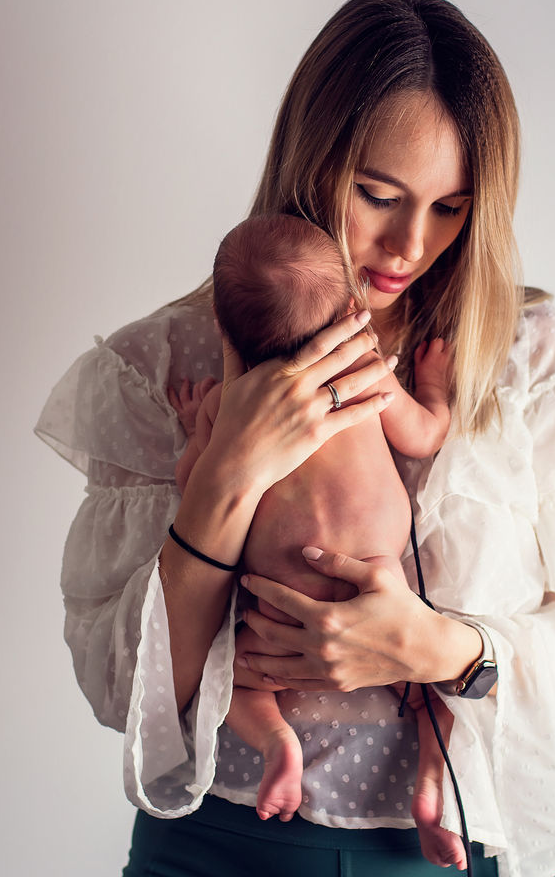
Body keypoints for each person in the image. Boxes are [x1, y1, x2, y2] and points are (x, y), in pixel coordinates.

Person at [36, 0, 555, 877]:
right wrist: (223, 477)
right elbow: (127, 693)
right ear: (313, 159)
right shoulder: (164, 367)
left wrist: (430, 647)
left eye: (450, 207)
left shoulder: (525, 364)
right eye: (376, 194)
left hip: (451, 847)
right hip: (222, 846)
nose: (409, 243)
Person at [169, 211, 462, 867]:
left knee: (238, 683)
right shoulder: (362, 368)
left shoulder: (233, 402)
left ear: (224, 326)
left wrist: (196, 428)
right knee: (439, 686)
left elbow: (196, 486)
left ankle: (279, 745)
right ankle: (431, 783)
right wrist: (435, 389)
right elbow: (423, 436)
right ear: (350, 307)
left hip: (278, 600)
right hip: (380, 592)